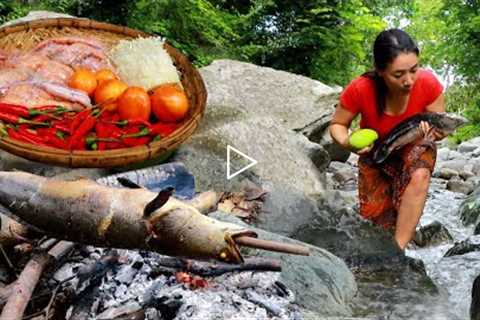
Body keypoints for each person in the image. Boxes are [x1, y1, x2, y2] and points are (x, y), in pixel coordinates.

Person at [329, 29, 445, 250]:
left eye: (414, 70)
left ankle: (398, 251)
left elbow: (441, 127)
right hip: (376, 153)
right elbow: (337, 125)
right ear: (380, 71)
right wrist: (348, 143)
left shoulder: (429, 84)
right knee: (377, 226)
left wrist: (436, 133)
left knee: (420, 174)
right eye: (399, 74)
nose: (409, 81)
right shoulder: (360, 89)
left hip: (414, 148)